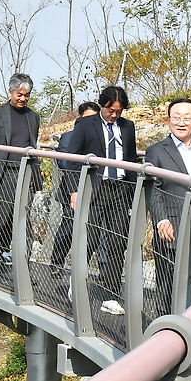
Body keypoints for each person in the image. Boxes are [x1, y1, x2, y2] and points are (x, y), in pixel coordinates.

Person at [61, 85, 138, 316]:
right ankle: (78, 281)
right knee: (90, 238)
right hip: (95, 188)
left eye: (119, 111)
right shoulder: (86, 124)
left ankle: (111, 295)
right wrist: (75, 190)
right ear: (102, 105)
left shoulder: (128, 126)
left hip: (120, 189)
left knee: (116, 242)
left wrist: (134, 192)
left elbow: (131, 158)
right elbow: (71, 160)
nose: (115, 115)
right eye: (111, 110)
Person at [144, 98, 191, 308]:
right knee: (168, 288)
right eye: (177, 118)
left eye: (187, 118)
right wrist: (161, 220)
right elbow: (153, 189)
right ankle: (164, 335)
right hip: (171, 228)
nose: (182, 123)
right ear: (168, 120)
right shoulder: (156, 151)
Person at [0, 73, 41, 274]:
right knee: (3, 220)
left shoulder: (33, 117)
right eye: (19, 94)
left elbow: (33, 143)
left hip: (27, 174)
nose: (22, 98)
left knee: (23, 222)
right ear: (10, 92)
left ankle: (24, 269)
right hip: (4, 174)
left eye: (26, 95)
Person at [47, 101, 100, 274]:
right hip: (72, 186)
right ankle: (56, 263)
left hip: (96, 188)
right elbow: (64, 162)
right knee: (69, 226)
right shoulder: (69, 136)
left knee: (98, 228)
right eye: (87, 118)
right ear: (80, 118)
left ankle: (100, 271)